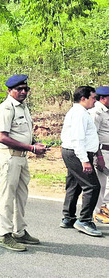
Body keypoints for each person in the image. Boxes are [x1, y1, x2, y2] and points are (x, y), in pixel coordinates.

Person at [0, 75, 47, 252]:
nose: (23, 92)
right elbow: (3, 137)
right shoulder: (6, 108)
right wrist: (31, 148)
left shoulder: (23, 107)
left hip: (21, 157)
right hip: (9, 157)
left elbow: (23, 132)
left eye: (26, 88)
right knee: (7, 197)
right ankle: (3, 235)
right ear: (9, 91)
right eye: (19, 89)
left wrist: (34, 145)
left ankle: (19, 231)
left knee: (21, 196)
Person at [60, 86, 103, 237]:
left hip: (74, 152)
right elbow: (78, 139)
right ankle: (84, 220)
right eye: (93, 98)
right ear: (83, 98)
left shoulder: (79, 112)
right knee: (92, 186)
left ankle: (68, 217)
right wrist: (85, 161)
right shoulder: (79, 114)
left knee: (74, 184)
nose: (95, 101)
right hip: (78, 153)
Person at [88, 86, 109, 224]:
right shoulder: (96, 112)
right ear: (103, 98)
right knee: (101, 183)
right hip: (102, 151)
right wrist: (99, 156)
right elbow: (93, 135)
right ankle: (97, 212)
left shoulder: (107, 112)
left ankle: (104, 206)